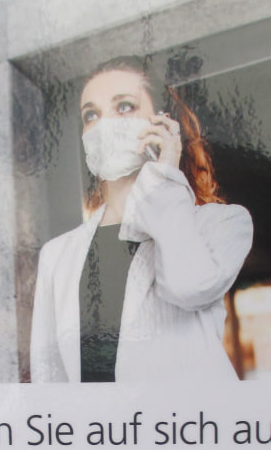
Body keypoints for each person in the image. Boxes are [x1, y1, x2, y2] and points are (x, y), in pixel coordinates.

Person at [29, 57, 254, 383]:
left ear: (162, 122)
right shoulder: (57, 256)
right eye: (91, 115)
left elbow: (189, 286)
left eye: (124, 107)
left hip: (190, 417)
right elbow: (49, 381)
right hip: (102, 420)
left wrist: (165, 174)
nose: (104, 124)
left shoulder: (222, 224)